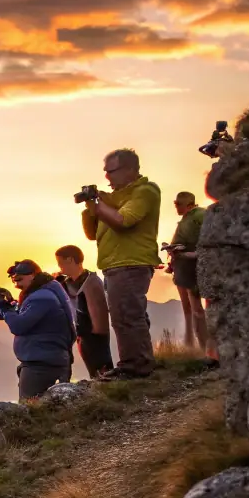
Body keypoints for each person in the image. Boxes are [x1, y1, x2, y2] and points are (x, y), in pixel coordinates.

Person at [81, 148, 162, 380]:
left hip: (131, 262)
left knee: (125, 316)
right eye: (105, 172)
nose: (107, 177)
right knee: (128, 315)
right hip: (115, 264)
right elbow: (91, 233)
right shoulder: (113, 198)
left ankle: (134, 367)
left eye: (111, 171)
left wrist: (99, 205)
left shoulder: (145, 191)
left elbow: (123, 220)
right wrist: (91, 208)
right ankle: (140, 362)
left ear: (130, 169)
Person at [0, 260, 75, 400]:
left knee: (32, 411)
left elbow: (19, 326)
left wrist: (4, 307)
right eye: (15, 280)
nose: (17, 283)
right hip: (45, 360)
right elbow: (23, 315)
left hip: (41, 365)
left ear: (33, 275)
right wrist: (5, 304)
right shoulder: (42, 293)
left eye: (20, 278)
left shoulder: (42, 297)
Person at [54, 245, 112, 379]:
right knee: (93, 371)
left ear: (70, 260)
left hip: (94, 336)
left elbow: (99, 313)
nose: (59, 267)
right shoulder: (67, 283)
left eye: (61, 263)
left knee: (102, 369)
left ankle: (112, 392)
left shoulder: (91, 281)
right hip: (81, 334)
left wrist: (97, 334)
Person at [169, 191, 208, 352]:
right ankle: (193, 347)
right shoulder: (185, 220)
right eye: (175, 203)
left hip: (192, 268)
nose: (176, 206)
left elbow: (207, 238)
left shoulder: (199, 215)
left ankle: (206, 348)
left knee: (196, 309)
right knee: (188, 309)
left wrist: (191, 253)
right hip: (182, 267)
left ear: (189, 205)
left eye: (179, 204)